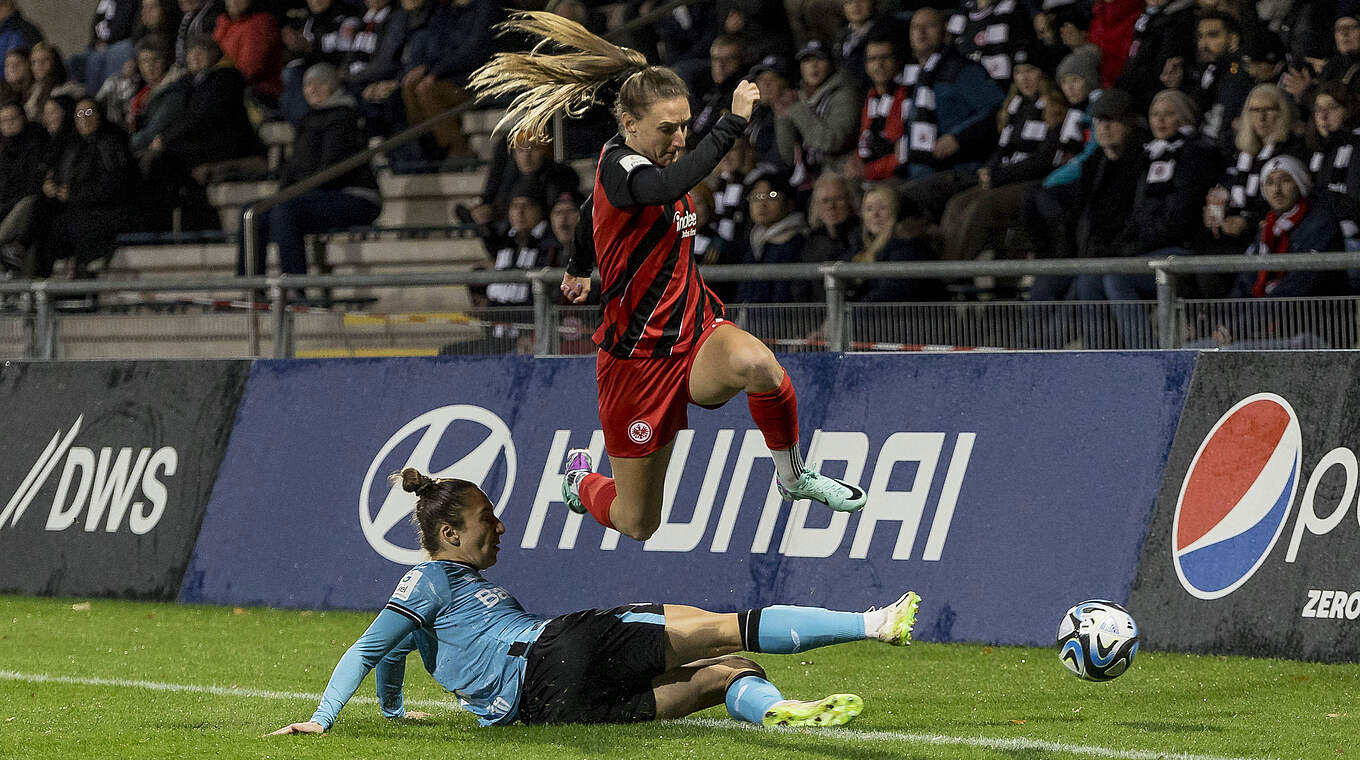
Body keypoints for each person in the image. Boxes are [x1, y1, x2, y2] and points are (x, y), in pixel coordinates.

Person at [469, 12, 869, 542]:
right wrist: (732, 122)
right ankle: (582, 479)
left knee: (759, 365)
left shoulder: (644, 166)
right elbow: (663, 185)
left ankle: (793, 478)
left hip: (694, 333)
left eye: (684, 126)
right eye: (667, 129)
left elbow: (591, 213)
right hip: (635, 364)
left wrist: (578, 268)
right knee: (639, 522)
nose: (679, 138)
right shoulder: (625, 167)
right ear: (630, 126)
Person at [269, 471, 921, 733]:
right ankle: (874, 623)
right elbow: (370, 644)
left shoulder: (435, 598)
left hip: (549, 710)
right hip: (555, 649)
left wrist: (392, 709)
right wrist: (323, 718)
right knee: (721, 629)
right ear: (449, 535)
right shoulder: (431, 579)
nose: (499, 528)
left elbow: (392, 648)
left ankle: (784, 710)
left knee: (722, 679)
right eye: (487, 520)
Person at [238, 63, 380, 278]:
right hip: (313, 193)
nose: (311, 89)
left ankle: (295, 287)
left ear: (332, 86)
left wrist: (292, 196)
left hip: (352, 195)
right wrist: (281, 194)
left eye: (319, 84)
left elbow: (333, 168)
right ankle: (250, 287)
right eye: (307, 85)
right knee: (252, 212)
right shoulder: (307, 120)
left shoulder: (345, 116)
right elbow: (294, 166)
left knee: (285, 211)